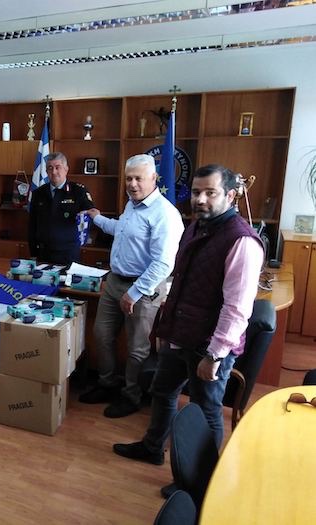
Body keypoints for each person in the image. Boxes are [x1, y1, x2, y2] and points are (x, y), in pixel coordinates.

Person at [113, 164, 263, 465]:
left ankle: (201, 477)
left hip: (208, 345)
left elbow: (236, 309)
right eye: (196, 192)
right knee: (162, 392)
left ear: (230, 196)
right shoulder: (196, 227)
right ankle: (153, 448)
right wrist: (165, 330)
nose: (201, 199)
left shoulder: (241, 241)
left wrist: (215, 355)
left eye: (210, 193)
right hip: (179, 334)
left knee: (205, 409)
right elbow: (181, 282)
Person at [79, 154, 184, 418]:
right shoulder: (132, 204)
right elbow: (124, 230)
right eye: (128, 178)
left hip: (143, 289)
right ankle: (107, 383)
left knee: (137, 347)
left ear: (154, 179)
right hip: (115, 281)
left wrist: (134, 293)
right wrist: (98, 219)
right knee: (101, 335)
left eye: (138, 178)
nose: (132, 184)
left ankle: (131, 395)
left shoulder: (165, 214)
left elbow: (163, 264)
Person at [28, 152, 95, 265]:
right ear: (46, 171)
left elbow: (91, 215)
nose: (54, 172)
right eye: (50, 168)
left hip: (68, 253)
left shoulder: (78, 191)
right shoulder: (38, 193)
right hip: (43, 252)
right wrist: (33, 253)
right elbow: (32, 225)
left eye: (57, 167)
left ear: (66, 169)